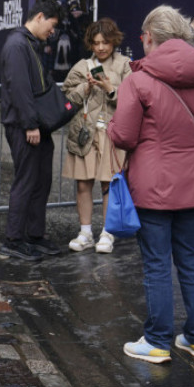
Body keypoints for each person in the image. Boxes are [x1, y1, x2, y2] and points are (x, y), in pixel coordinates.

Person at [108, 5, 194, 364]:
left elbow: (123, 136)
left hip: (152, 187)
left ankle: (156, 341)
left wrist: (108, 128)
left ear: (149, 37)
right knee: (190, 261)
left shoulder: (137, 80)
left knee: (156, 264)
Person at [0, 0, 63, 262]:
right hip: (25, 125)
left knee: (40, 180)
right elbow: (20, 87)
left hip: (32, 124)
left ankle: (34, 236)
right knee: (27, 181)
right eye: (52, 24)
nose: (53, 31)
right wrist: (30, 124)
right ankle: (13, 240)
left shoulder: (27, 44)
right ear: (39, 17)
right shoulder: (17, 45)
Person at [63, 18, 132, 254]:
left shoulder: (124, 65)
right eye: (96, 43)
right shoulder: (82, 66)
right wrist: (87, 87)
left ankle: (107, 233)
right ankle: (85, 233)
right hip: (84, 134)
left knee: (108, 185)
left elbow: (133, 99)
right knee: (83, 184)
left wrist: (109, 88)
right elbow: (67, 96)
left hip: (111, 134)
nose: (101, 47)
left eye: (105, 42)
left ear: (113, 42)